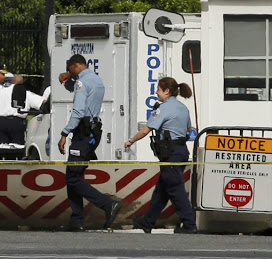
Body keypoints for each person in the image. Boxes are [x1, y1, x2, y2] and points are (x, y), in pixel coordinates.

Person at [125, 77, 198, 234]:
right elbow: (188, 129)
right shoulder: (183, 108)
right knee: (162, 190)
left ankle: (190, 224)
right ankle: (147, 222)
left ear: (167, 91)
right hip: (181, 151)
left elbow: (146, 130)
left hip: (170, 154)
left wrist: (131, 141)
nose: (156, 92)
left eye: (158, 89)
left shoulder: (163, 108)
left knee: (176, 189)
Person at [58, 54, 121, 231]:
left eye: (69, 68)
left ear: (75, 65)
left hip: (82, 134)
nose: (68, 71)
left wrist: (64, 133)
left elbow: (78, 111)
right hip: (92, 133)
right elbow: (81, 93)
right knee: (74, 176)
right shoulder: (96, 80)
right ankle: (76, 220)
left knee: (72, 177)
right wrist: (66, 81)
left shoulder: (81, 83)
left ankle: (107, 204)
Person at [0, 75, 40, 145]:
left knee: (1, 148)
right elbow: (41, 103)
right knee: (17, 148)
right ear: (22, 83)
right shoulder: (26, 93)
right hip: (17, 124)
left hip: (0, 123)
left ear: (11, 82)